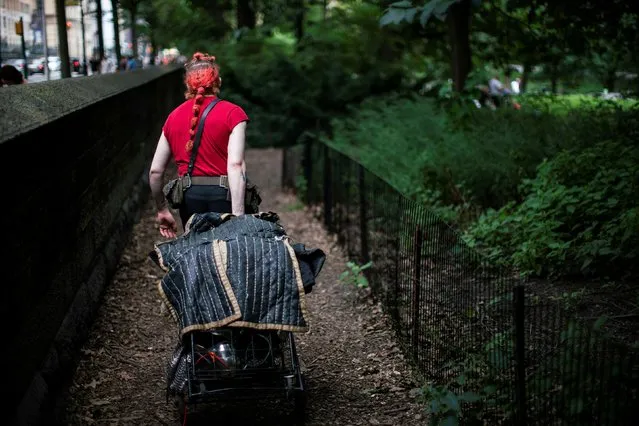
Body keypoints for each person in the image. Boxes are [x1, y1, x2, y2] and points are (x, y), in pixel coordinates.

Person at [149, 52, 249, 239]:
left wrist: (162, 210)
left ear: (188, 84)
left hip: (190, 196)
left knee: (196, 253)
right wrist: (238, 216)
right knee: (225, 255)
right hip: (223, 195)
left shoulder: (173, 117)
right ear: (218, 81)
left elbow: (155, 172)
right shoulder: (234, 113)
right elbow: (235, 165)